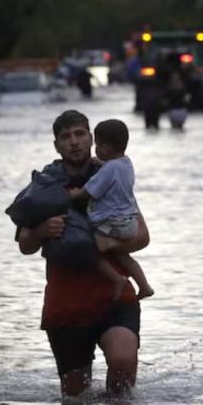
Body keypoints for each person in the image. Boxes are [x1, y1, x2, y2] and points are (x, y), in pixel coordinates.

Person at [16, 109, 149, 397]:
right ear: (57, 146)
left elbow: (142, 236)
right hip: (66, 305)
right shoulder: (44, 185)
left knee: (123, 369)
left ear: (91, 138)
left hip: (115, 296)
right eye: (65, 137)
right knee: (75, 403)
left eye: (79, 134)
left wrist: (107, 244)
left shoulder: (112, 172)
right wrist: (42, 231)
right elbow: (25, 245)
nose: (74, 142)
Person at [67, 119, 153, 301]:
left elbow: (90, 190)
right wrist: (102, 163)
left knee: (91, 249)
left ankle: (117, 279)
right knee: (122, 255)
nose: (96, 149)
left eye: (97, 145)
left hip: (112, 223)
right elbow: (113, 171)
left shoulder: (108, 170)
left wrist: (74, 195)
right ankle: (144, 286)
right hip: (129, 223)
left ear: (105, 147)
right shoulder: (126, 163)